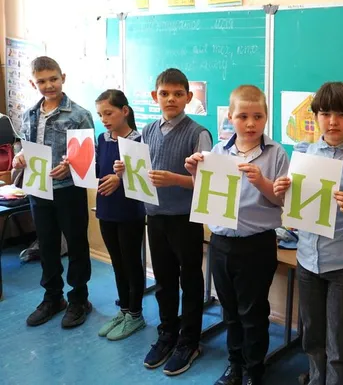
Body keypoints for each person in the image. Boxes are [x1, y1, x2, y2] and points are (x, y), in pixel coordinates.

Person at [185, 85, 289, 385]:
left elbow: (282, 201)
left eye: (258, 116)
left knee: (253, 313)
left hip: (257, 245)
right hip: (221, 243)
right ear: (230, 117)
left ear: (266, 117)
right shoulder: (218, 153)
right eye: (243, 116)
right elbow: (208, 195)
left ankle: (254, 370)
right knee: (229, 311)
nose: (251, 123)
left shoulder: (276, 154)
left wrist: (261, 182)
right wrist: (195, 173)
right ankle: (235, 365)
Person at [273, 82, 343, 385]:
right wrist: (282, 191)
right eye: (325, 114)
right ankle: (317, 379)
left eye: (342, 114)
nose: (333, 122)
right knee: (312, 336)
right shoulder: (303, 154)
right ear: (316, 115)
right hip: (308, 259)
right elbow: (294, 207)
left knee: (341, 343)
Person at [115, 68, 213, 376]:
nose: (171, 99)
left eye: (178, 94)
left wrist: (175, 179)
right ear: (155, 96)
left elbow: (208, 183)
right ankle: (167, 333)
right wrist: (124, 169)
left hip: (185, 219)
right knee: (164, 281)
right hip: (155, 217)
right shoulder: (146, 131)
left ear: (188, 97)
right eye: (165, 93)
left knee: (191, 281)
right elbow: (141, 172)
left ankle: (190, 341)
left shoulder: (198, 133)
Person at [12, 56, 95, 328]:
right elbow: (24, 145)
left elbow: (88, 156)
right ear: (33, 83)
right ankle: (53, 298)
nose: (49, 85)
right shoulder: (29, 114)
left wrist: (70, 167)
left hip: (68, 190)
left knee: (76, 245)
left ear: (63, 78)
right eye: (42, 81)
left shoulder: (79, 114)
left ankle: (79, 299)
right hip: (38, 189)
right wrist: (20, 157)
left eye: (53, 79)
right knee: (47, 245)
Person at [93, 89, 147, 341]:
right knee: (116, 262)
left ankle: (135, 314)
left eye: (109, 113)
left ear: (124, 111)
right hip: (106, 209)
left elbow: (143, 178)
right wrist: (75, 164)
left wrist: (121, 178)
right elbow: (97, 170)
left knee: (131, 263)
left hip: (129, 211)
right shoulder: (102, 139)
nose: (104, 119)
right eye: (100, 114)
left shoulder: (139, 141)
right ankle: (124, 309)